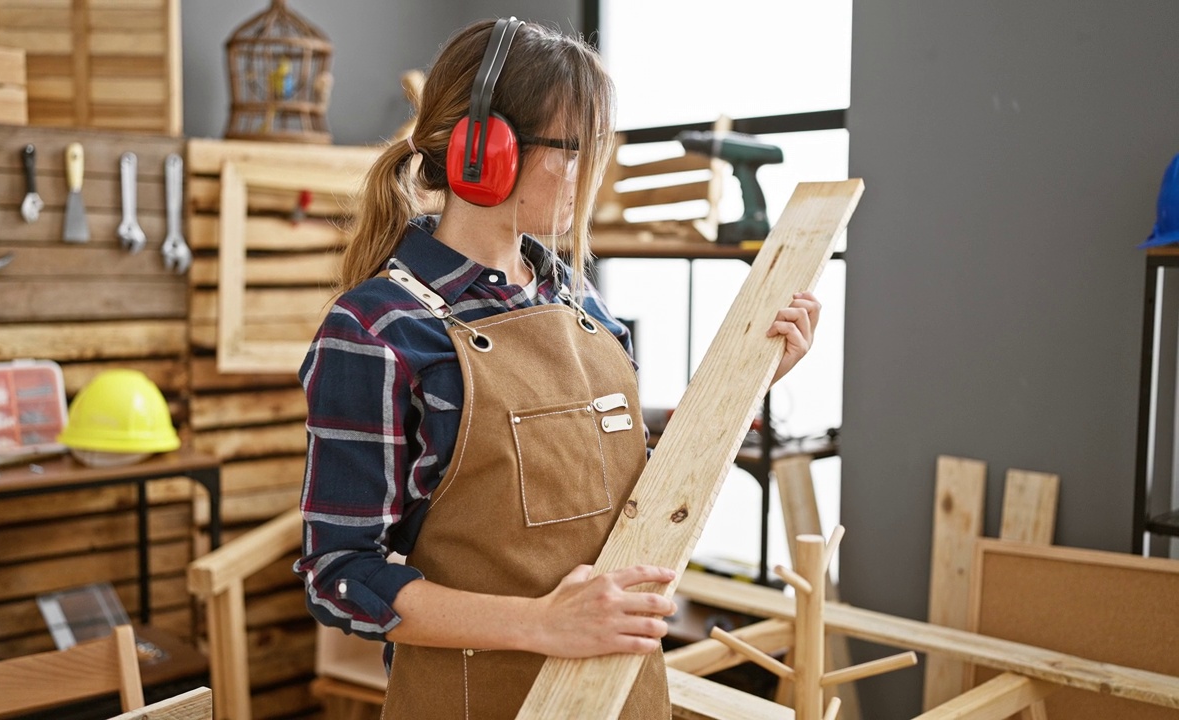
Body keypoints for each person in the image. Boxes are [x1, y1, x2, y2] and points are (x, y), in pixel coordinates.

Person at [295, 17, 821, 719]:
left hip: (623, 695)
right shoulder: (375, 330)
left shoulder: (579, 302)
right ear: (487, 151)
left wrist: (755, 377)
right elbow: (340, 574)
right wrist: (541, 624)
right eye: (573, 150)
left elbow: (628, 490)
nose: (589, 177)